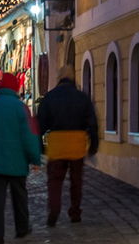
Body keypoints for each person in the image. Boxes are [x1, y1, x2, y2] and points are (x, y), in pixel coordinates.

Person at [0, 71, 42, 244]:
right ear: (15, 87)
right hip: (17, 162)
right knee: (19, 197)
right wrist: (35, 158)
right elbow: (29, 136)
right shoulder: (20, 107)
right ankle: (22, 228)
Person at [36, 65, 100, 226]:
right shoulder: (82, 97)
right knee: (76, 181)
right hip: (77, 143)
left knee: (55, 181)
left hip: (57, 143)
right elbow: (92, 123)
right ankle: (75, 212)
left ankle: (54, 210)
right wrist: (93, 145)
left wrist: (40, 146)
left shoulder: (49, 97)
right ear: (73, 78)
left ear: (59, 78)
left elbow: (40, 124)